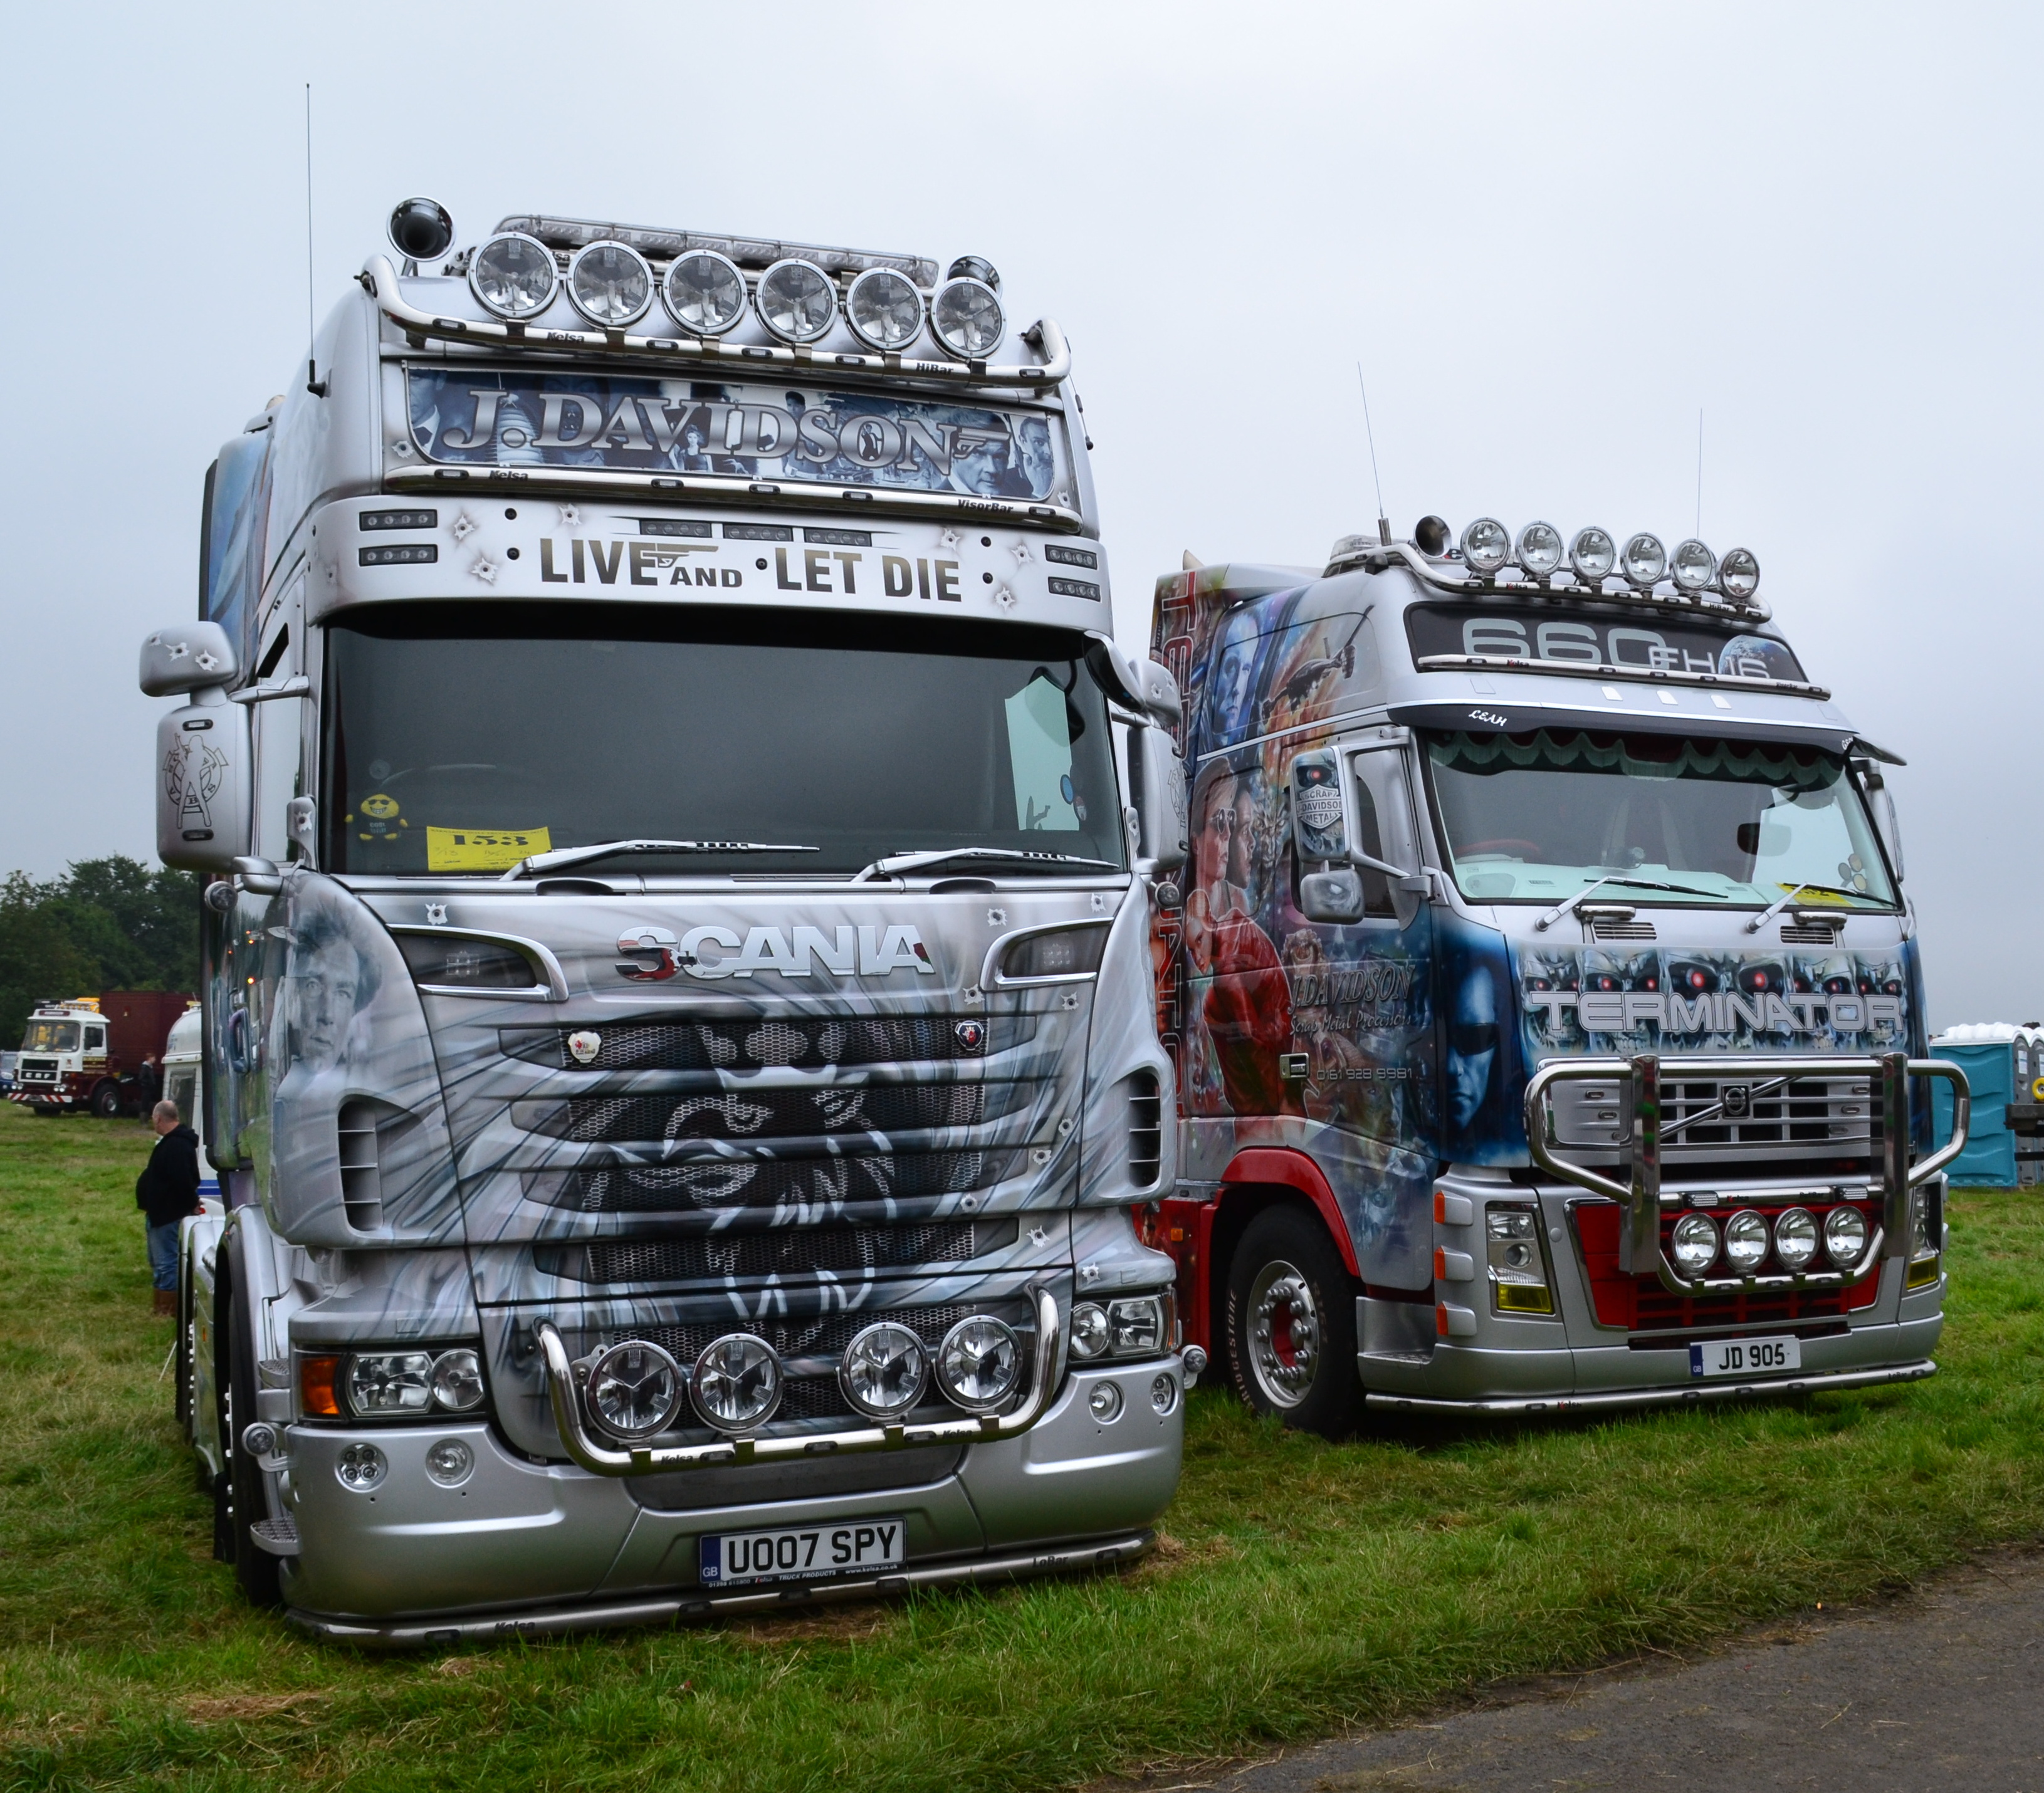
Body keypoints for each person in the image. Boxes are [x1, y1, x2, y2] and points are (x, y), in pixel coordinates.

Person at [135, 1099, 201, 1316]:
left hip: (167, 1215)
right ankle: (162, 1305)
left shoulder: (177, 1146)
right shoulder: (173, 1142)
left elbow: (184, 1181)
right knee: (159, 1261)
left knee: (167, 1263)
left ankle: (167, 1310)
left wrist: (191, 1203)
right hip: (159, 1213)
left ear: (158, 1118)